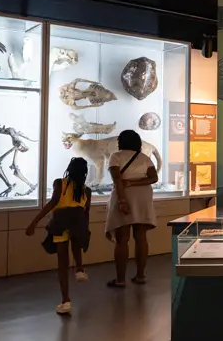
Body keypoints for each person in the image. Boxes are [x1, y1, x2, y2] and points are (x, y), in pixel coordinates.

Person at [25, 157, 92, 315]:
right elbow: (86, 212)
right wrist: (85, 230)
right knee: (76, 243)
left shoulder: (59, 183)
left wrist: (34, 222)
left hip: (60, 222)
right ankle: (80, 269)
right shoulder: (86, 190)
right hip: (78, 221)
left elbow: (52, 203)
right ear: (85, 173)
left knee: (62, 265)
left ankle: (66, 300)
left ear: (69, 169)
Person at [105, 130, 158, 288]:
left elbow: (117, 179)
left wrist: (122, 199)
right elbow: (154, 178)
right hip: (143, 196)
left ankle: (120, 279)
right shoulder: (145, 158)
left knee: (122, 239)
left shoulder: (115, 156)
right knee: (141, 237)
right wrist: (135, 183)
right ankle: (141, 275)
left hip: (124, 195)